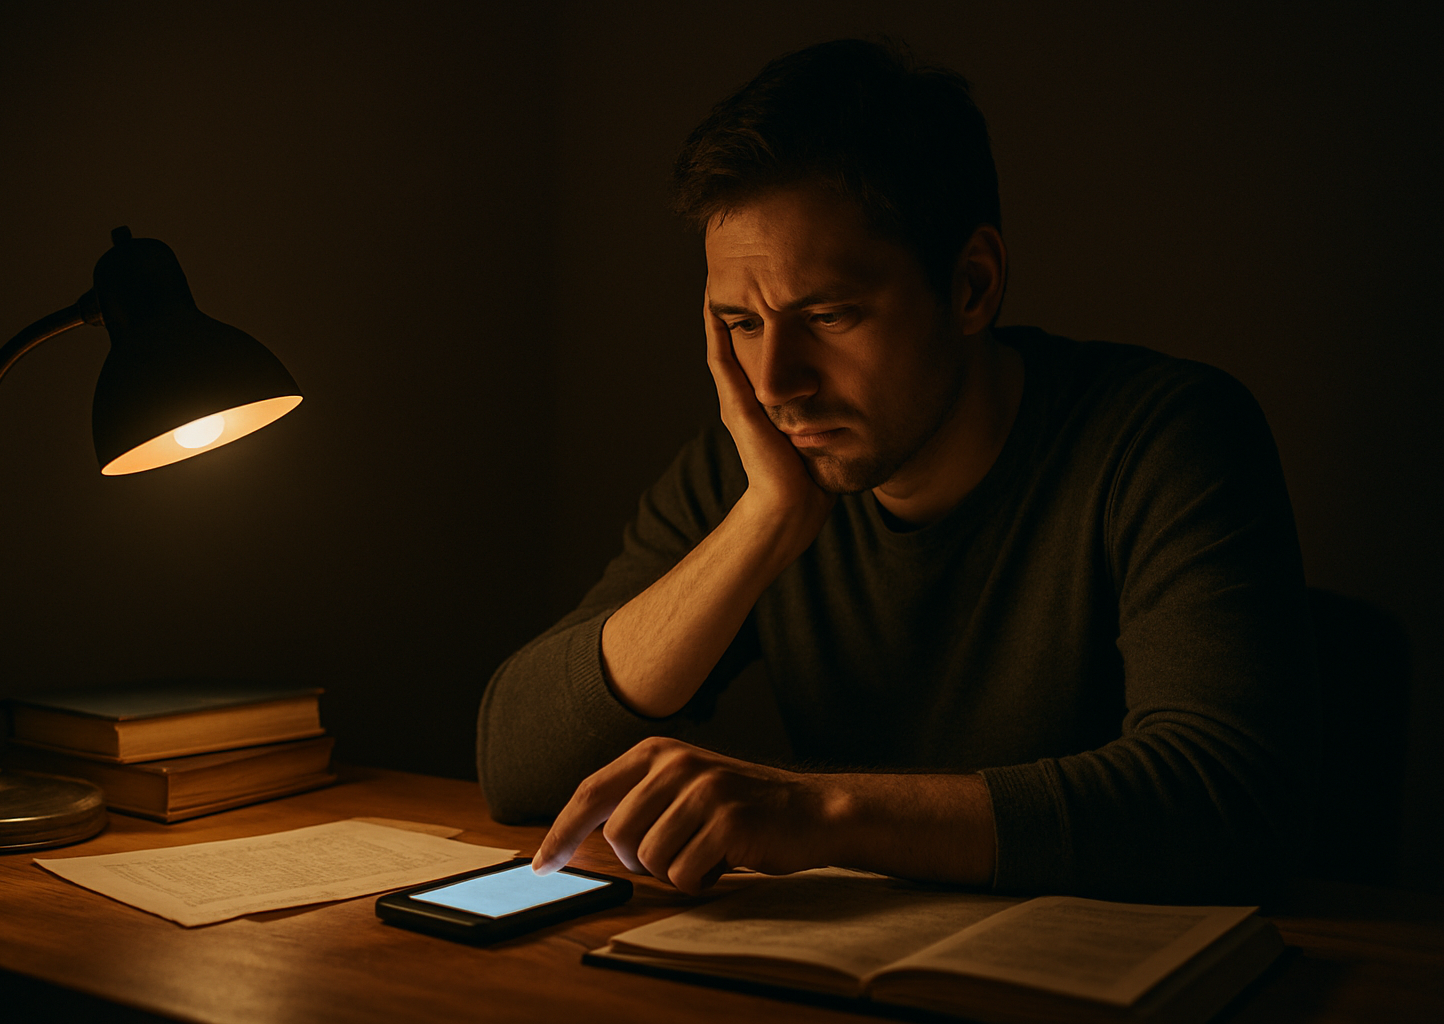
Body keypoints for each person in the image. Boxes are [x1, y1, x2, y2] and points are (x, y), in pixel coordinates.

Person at [476, 39, 1315, 904]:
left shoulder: (1163, 438)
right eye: (741, 323)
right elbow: (519, 765)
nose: (775, 384)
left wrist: (823, 813)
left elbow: (1226, 804)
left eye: (829, 316)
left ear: (972, 286)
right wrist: (762, 523)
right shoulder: (757, 472)